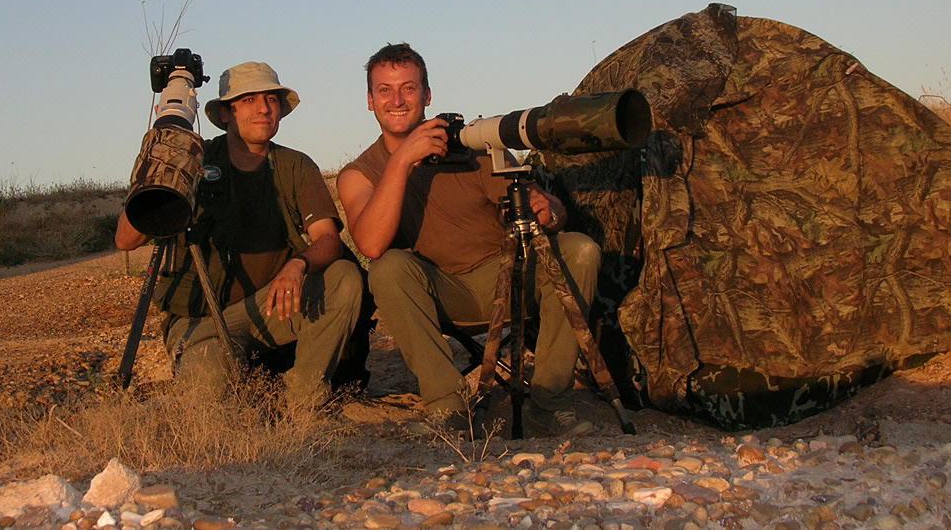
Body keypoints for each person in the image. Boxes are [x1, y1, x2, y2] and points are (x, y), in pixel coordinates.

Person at [337, 43, 601, 437]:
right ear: (370, 101)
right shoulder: (358, 173)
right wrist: (402, 160)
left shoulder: (472, 147)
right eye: (385, 90)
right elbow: (371, 245)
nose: (397, 100)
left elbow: (546, 209)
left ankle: (550, 403)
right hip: (444, 290)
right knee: (388, 268)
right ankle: (449, 408)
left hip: (508, 273)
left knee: (581, 250)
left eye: (408, 88)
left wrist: (548, 210)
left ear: (427, 96)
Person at [116, 61, 362, 407]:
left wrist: (298, 265)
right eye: (248, 100)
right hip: (201, 319)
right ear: (227, 114)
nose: (263, 109)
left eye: (271, 100)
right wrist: (157, 168)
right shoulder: (195, 160)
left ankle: (303, 401)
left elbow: (328, 239)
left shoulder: (296, 165)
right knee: (209, 398)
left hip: (270, 306)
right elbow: (126, 240)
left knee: (344, 278)